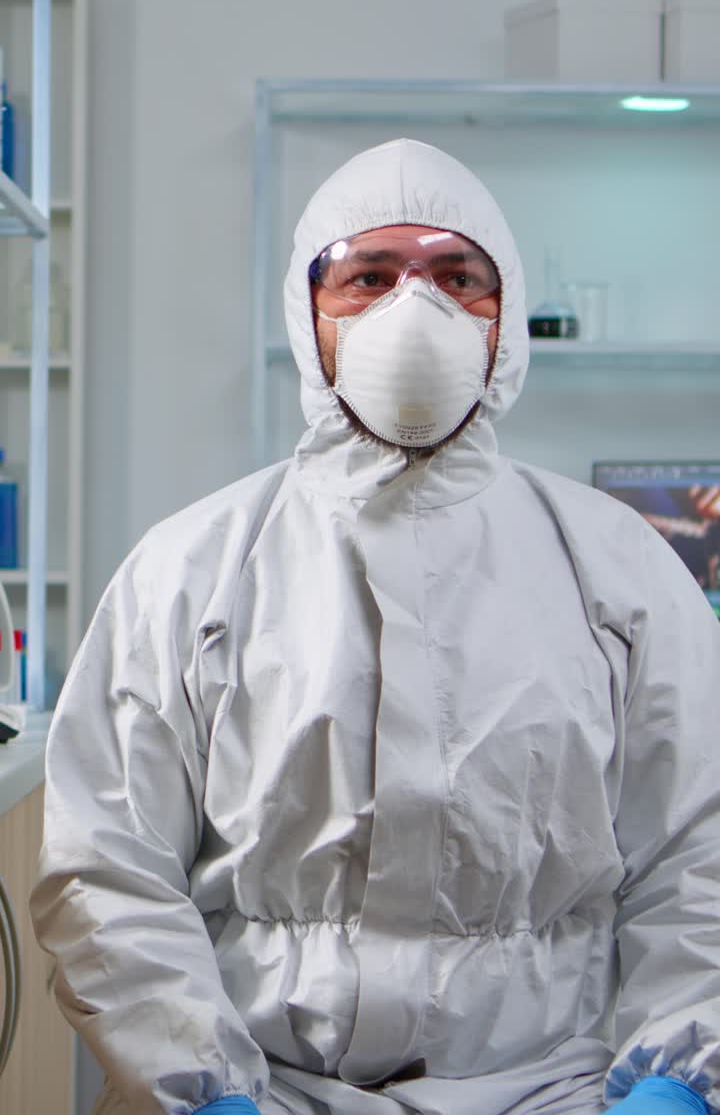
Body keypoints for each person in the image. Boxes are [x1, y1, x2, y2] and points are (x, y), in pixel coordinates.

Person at [31, 139, 720, 1115]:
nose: (415, 308)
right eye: (370, 276)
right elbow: (108, 864)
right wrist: (195, 1083)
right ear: (308, 313)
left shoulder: (618, 568)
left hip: (559, 1088)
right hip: (266, 1086)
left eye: (456, 276)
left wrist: (674, 1079)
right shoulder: (190, 569)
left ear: (505, 315)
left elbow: (700, 854)